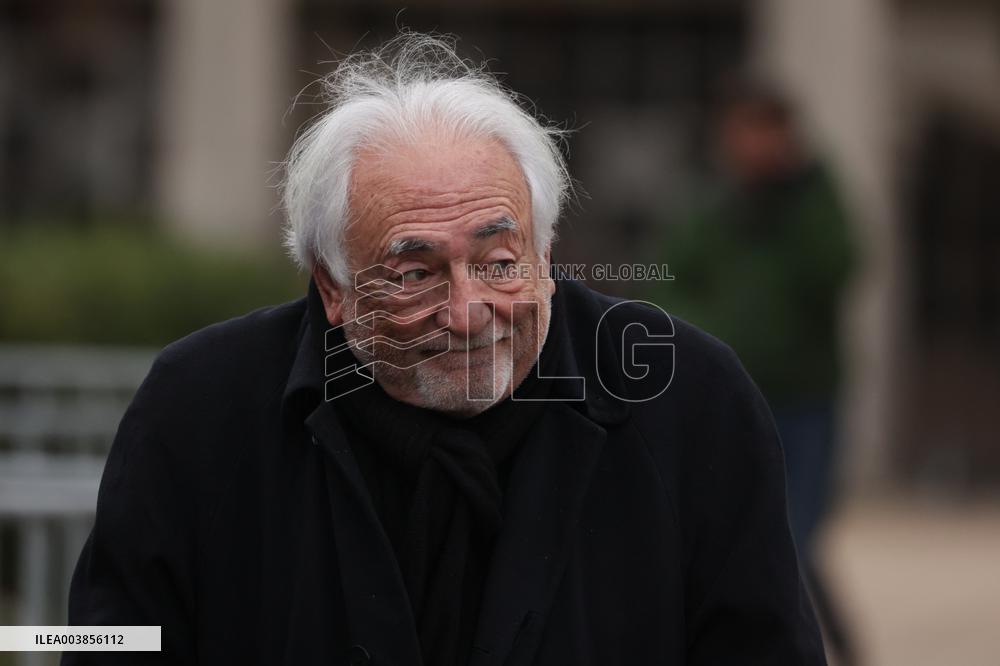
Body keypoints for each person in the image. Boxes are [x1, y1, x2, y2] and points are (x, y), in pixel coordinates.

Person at [64, 34, 825, 665]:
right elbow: (105, 640)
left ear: (547, 249)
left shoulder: (686, 401)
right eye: (413, 273)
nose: (467, 314)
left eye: (499, 263)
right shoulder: (201, 407)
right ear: (331, 286)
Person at [649, 80, 856, 663]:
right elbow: (668, 283)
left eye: (767, 131)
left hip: (804, 397)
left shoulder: (814, 200)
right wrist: (706, 345)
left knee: (798, 530)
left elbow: (838, 266)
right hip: (731, 397)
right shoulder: (710, 204)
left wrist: (799, 188)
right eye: (744, 130)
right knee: (756, 528)